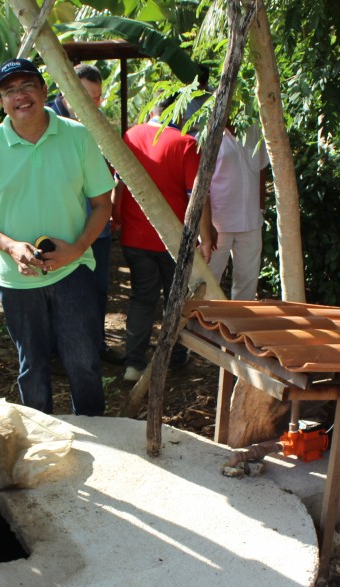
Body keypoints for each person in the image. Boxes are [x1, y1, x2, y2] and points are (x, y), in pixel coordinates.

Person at [0, 57, 114, 415]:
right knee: (32, 369)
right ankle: (40, 446)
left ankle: (101, 445)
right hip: (17, 279)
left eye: (27, 86)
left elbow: (103, 204)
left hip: (72, 271)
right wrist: (10, 246)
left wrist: (76, 249)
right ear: (1, 101)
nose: (20, 96)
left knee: (84, 363)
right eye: (9, 91)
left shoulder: (77, 136)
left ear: (44, 90)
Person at [113, 95, 206, 382]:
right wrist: (204, 236)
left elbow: (119, 183)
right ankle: (174, 358)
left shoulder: (131, 135)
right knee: (174, 299)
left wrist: (117, 218)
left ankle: (133, 363)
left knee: (142, 298)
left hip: (135, 234)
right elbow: (196, 198)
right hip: (172, 238)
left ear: (153, 110)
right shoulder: (187, 144)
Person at [46, 63, 119, 362]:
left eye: (98, 97)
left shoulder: (96, 124)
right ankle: (58, 353)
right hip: (58, 225)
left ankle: (94, 346)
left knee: (97, 289)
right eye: (87, 97)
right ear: (66, 92)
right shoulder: (45, 120)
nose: (94, 104)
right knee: (56, 291)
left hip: (95, 225)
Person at [199, 121, 269, 300]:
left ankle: (239, 326)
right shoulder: (208, 134)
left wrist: (261, 205)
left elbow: (261, 167)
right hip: (218, 225)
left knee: (247, 283)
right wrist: (206, 229)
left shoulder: (253, 128)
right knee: (208, 282)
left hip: (251, 221)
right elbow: (200, 185)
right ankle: (201, 326)